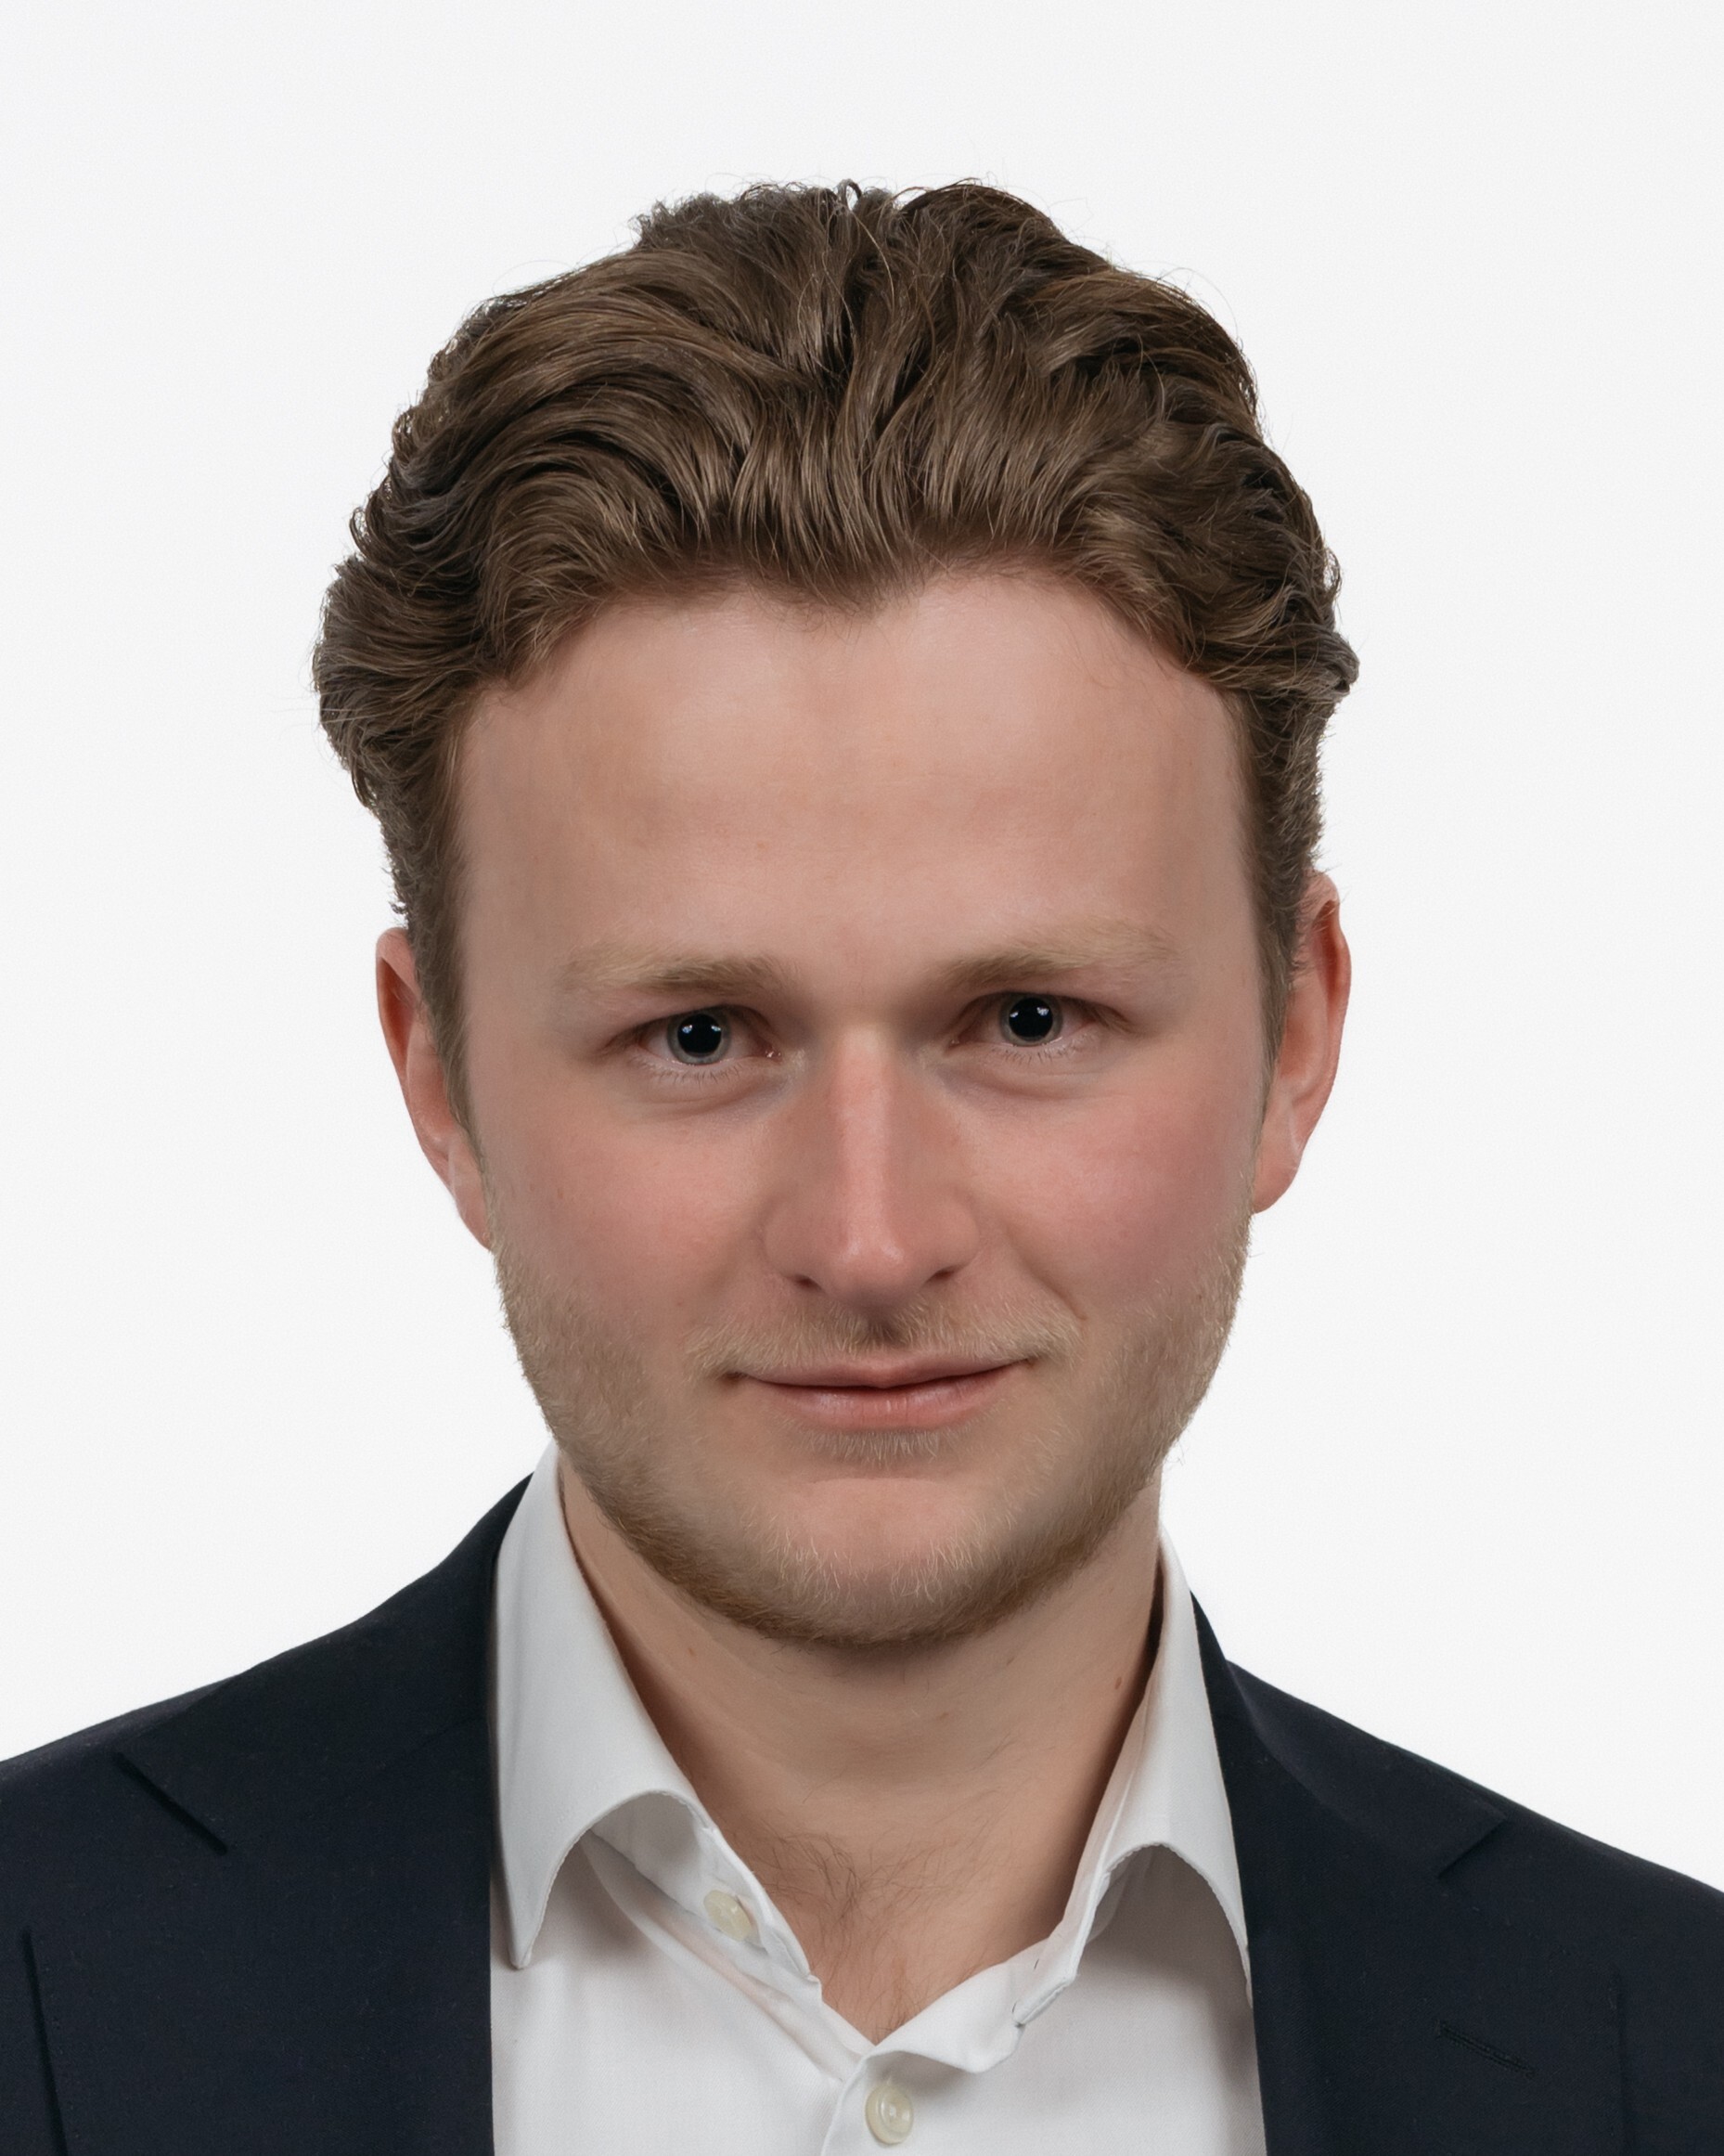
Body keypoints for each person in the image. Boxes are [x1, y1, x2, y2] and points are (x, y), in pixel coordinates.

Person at [2, 182, 1718, 2155]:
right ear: (438, 1076)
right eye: (699, 1037)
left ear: (1295, 1035)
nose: (870, 1237)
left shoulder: (1669, 2057)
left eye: (1027, 1020)